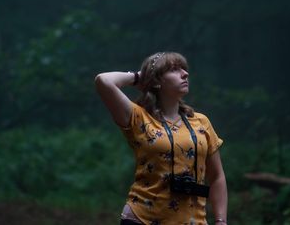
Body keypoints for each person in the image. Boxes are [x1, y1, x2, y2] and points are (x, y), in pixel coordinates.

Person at [95, 52, 228, 225]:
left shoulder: (201, 122)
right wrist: (139, 77)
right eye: (174, 69)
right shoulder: (138, 117)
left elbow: (217, 176)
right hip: (143, 219)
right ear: (157, 81)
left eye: (184, 69)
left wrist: (221, 221)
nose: (185, 74)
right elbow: (103, 81)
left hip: (194, 221)